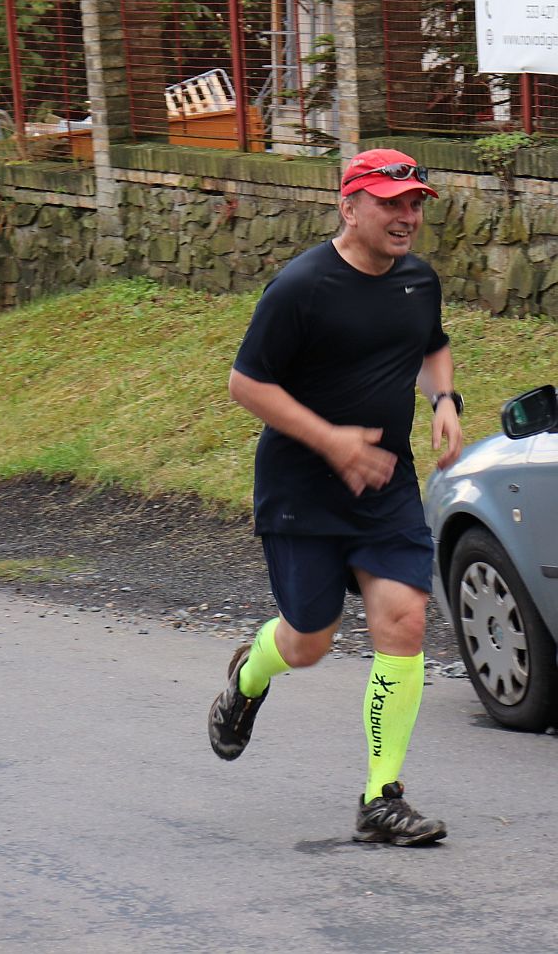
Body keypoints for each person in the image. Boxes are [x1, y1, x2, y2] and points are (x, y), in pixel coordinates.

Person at [207, 148, 463, 846]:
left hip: (385, 489)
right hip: (302, 493)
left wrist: (443, 399)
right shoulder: (302, 287)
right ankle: (251, 673)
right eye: (390, 202)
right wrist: (332, 441)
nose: (406, 216)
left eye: (414, 203)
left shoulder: (417, 281)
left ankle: (382, 796)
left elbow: (429, 345)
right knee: (309, 642)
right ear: (349, 207)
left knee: (404, 621)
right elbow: (247, 384)